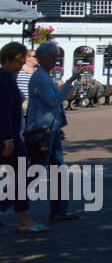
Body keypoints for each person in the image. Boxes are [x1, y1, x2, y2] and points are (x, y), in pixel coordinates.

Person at [25, 42, 80, 221]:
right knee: (35, 172)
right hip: (42, 131)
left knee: (57, 171)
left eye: (56, 56)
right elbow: (53, 100)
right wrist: (70, 82)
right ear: (41, 58)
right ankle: (7, 202)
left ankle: (59, 210)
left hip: (50, 130)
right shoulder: (40, 78)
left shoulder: (45, 77)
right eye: (51, 56)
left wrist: (59, 126)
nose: (54, 60)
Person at [1, 43, 45, 233]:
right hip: (9, 137)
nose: (21, 65)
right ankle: (24, 220)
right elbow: (3, 111)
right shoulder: (5, 79)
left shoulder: (7, 77)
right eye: (18, 61)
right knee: (20, 176)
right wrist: (8, 138)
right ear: (8, 59)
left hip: (10, 135)